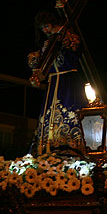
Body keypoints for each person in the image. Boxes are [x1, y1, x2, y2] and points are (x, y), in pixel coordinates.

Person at [28, 11, 87, 155]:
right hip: (53, 82)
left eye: (47, 26)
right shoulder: (47, 43)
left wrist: (61, 33)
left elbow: (75, 48)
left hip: (68, 81)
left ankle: (70, 144)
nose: (45, 30)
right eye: (42, 28)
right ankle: (47, 145)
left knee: (68, 109)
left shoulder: (66, 37)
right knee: (49, 114)